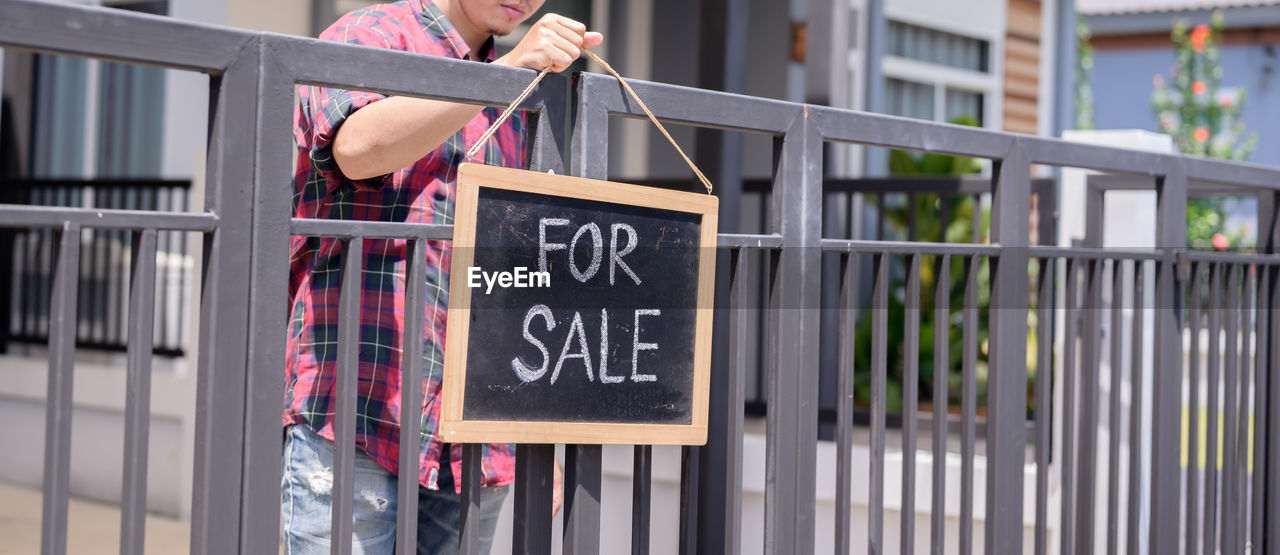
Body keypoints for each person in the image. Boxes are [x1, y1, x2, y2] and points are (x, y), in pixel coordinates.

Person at [282, 1, 601, 552]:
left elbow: (516, 267)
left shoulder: (522, 84)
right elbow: (355, 150)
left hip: (475, 433)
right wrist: (501, 76)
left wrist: (537, 434)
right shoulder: (372, 33)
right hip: (355, 404)